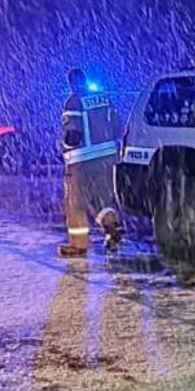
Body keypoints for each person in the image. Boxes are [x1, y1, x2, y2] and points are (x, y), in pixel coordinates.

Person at [58, 67, 122, 257]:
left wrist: (62, 145)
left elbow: (72, 134)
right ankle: (112, 228)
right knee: (102, 197)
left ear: (71, 83)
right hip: (108, 157)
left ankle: (78, 245)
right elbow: (118, 126)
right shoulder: (103, 98)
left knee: (75, 202)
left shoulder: (73, 101)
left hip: (82, 159)